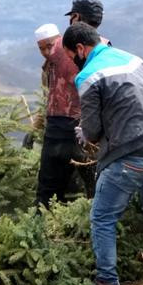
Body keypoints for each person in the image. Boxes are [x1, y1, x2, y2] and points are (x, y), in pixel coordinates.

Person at [63, 22, 143, 285]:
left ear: (80, 49)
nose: (74, 65)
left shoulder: (89, 76)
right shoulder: (133, 59)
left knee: (102, 216)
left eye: (72, 58)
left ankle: (107, 282)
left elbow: (91, 131)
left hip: (129, 156)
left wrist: (83, 133)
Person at [32, 23, 95, 206]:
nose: (46, 52)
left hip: (78, 130)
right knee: (53, 188)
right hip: (56, 131)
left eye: (50, 46)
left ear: (60, 41)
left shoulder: (78, 59)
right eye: (41, 48)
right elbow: (47, 99)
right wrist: (36, 127)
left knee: (80, 185)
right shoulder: (49, 68)